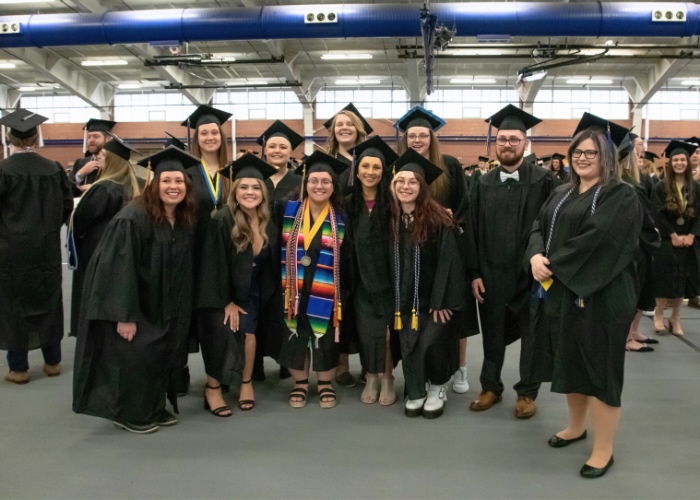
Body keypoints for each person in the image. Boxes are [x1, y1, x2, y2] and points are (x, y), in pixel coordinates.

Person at [527, 126, 643, 479]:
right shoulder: (562, 193)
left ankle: (603, 448)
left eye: (590, 153)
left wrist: (553, 265)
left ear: (606, 157)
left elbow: (600, 241)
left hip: (602, 296)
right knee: (570, 360)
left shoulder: (621, 195)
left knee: (600, 370)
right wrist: (534, 256)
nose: (581, 158)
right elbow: (537, 224)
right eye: (577, 152)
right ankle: (576, 426)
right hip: (562, 291)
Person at [72, 146, 199, 434]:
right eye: (166, 181)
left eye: (179, 181)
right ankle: (129, 413)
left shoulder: (181, 218)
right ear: (154, 183)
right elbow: (117, 269)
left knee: (160, 356)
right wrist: (123, 315)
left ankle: (153, 407)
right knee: (137, 359)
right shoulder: (132, 218)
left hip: (164, 305)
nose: (173, 187)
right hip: (138, 306)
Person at [467, 104, 558, 418]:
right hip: (491, 274)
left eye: (514, 139)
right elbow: (472, 230)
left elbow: (553, 226)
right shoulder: (481, 183)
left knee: (532, 334)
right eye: (502, 139)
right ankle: (491, 387)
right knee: (492, 334)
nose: (507, 144)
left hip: (531, 275)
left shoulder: (545, 181)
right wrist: (475, 272)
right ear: (495, 144)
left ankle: (527, 393)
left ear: (525, 144)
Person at [195, 153, 281, 415]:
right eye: (243, 186)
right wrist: (225, 302)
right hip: (222, 291)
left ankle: (246, 383)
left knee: (250, 334)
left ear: (263, 193)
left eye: (256, 187)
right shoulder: (222, 219)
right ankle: (213, 387)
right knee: (222, 334)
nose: (250, 192)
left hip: (253, 289)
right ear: (234, 191)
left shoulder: (268, 221)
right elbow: (211, 264)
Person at [395, 106, 471, 394]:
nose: (416, 140)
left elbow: (464, 207)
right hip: (410, 253)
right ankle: (421, 376)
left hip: (444, 249)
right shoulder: (399, 167)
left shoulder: (449, 165)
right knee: (417, 317)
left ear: (431, 138)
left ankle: (458, 370)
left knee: (449, 315)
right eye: (411, 135)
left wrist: (451, 221)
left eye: (422, 135)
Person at [390, 149, 465, 419]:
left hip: (434, 300)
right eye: (400, 181)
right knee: (408, 345)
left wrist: (442, 300)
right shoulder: (390, 219)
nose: (406, 186)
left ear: (422, 187)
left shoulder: (438, 219)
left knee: (430, 344)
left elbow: (450, 262)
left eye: (412, 182)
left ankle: (438, 387)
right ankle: (416, 390)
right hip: (403, 300)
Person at [0, 109, 73, 384]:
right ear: (35, 136)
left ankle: (19, 368)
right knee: (49, 301)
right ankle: (52, 362)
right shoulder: (53, 168)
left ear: (10, 137)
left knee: (13, 306)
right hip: (46, 249)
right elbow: (67, 205)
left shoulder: (3, 170)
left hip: (11, 252)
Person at [279, 151, 347, 409]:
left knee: (326, 334)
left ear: (333, 186)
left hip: (327, 288)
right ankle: (300, 383)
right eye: (314, 181)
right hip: (293, 288)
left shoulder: (340, 216)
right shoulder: (287, 212)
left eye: (325, 181)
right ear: (305, 184)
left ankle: (325, 383)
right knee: (296, 333)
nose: (319, 186)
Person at [180, 104, 233, 395]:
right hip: (192, 255)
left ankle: (220, 374)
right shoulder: (186, 173)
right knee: (185, 318)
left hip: (224, 257)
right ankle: (178, 372)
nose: (210, 137)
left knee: (218, 321)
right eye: (204, 133)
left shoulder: (232, 173)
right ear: (196, 138)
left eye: (214, 132)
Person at [344, 136, 399, 405]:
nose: (370, 172)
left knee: (388, 332)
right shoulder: (347, 203)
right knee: (367, 331)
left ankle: (387, 376)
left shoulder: (393, 203)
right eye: (365, 166)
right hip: (359, 279)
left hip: (389, 279)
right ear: (357, 170)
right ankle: (371, 376)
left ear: (384, 171)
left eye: (376, 167)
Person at [69, 134, 140, 337]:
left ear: (112, 160)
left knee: (95, 301)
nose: (98, 158)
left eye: (102, 155)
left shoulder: (103, 188)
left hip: (96, 253)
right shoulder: (129, 186)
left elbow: (80, 221)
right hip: (121, 255)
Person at [323, 103, 372, 387]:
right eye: (339, 124)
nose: (344, 128)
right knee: (337, 301)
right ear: (333, 131)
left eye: (349, 124)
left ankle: (370, 364)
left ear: (358, 129)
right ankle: (341, 365)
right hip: (334, 238)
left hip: (366, 238)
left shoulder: (369, 158)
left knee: (365, 304)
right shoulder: (325, 161)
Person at [652, 140, 700, 337]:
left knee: (682, 279)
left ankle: (675, 318)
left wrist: (691, 235)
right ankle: (658, 315)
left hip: (689, 241)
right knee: (665, 279)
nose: (679, 163)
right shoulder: (661, 186)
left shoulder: (695, 186)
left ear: (688, 162)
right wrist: (672, 235)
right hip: (667, 240)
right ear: (670, 163)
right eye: (676, 160)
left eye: (683, 160)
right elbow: (657, 212)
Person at [618, 139, 661, 351]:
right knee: (634, 292)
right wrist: (654, 235)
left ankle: (633, 331)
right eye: (636, 155)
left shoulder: (632, 183)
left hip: (638, 246)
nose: (639, 158)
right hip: (637, 248)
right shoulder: (630, 186)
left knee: (642, 290)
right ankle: (626, 337)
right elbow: (643, 221)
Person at [258, 120, 305, 205]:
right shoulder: (257, 178)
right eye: (272, 146)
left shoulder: (300, 180)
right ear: (265, 150)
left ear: (290, 151)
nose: (277, 151)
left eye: (283, 147)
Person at [70, 118, 116, 196]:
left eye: (96, 136)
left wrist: (95, 190)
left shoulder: (115, 163)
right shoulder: (80, 163)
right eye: (89, 137)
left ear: (108, 139)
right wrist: (80, 174)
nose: (91, 140)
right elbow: (66, 190)